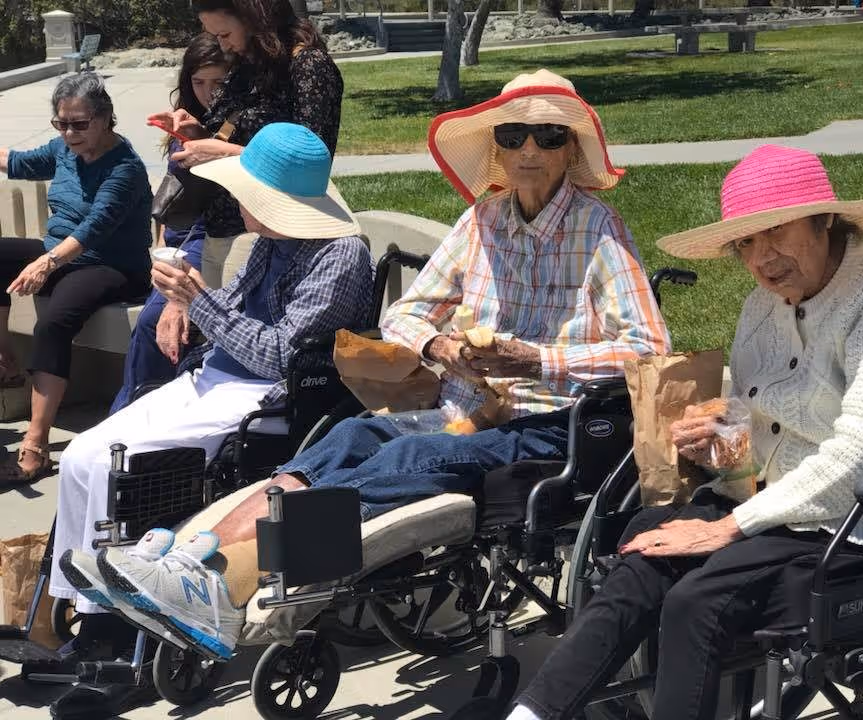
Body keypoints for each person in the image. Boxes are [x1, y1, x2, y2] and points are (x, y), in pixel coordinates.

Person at [75, 69, 672, 663]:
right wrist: (437, 347)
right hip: (466, 410)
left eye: (547, 135)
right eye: (514, 135)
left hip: (552, 423)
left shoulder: (599, 231)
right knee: (349, 435)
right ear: (497, 146)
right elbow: (407, 314)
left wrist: (537, 358)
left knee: (408, 455)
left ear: (571, 147)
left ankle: (224, 580)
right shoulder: (481, 222)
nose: (530, 150)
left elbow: (649, 349)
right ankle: (193, 555)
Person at [508, 144, 863, 720]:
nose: (762, 256)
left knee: (700, 600)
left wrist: (728, 527)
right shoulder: (760, 307)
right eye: (745, 242)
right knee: (643, 548)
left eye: (775, 231)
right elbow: (763, 422)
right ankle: (532, 713)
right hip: (779, 503)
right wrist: (721, 437)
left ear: (824, 218)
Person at [44, 123, 372, 712]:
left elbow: (281, 355)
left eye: (247, 193)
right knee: (81, 455)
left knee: (114, 467)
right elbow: (235, 313)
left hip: (269, 395)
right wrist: (183, 303)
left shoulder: (339, 255)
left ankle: (115, 635)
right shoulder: (271, 238)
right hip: (217, 377)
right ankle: (85, 610)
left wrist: (198, 301)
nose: (237, 202)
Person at [0, 73, 151, 486]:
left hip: (112, 266)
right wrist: (46, 260)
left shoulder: (125, 168)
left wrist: (44, 264)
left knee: (53, 322)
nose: (69, 133)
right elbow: (20, 162)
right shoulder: (64, 149)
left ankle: (36, 441)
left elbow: (93, 230)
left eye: (79, 124)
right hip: (61, 256)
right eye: (61, 124)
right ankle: (6, 360)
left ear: (105, 119)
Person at [147, 0, 344, 290]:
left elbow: (309, 166)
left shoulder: (308, 67)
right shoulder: (249, 65)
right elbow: (238, 138)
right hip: (220, 229)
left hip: (268, 238)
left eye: (224, 35)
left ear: (254, 19)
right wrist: (199, 133)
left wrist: (220, 151)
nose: (222, 45)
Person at [110, 34, 229, 414]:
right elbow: (172, 196)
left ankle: (127, 417)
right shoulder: (185, 123)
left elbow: (212, 213)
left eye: (218, 82)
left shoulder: (230, 131)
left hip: (206, 244)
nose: (208, 93)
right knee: (152, 323)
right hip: (173, 246)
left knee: (152, 323)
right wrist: (161, 252)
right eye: (199, 82)